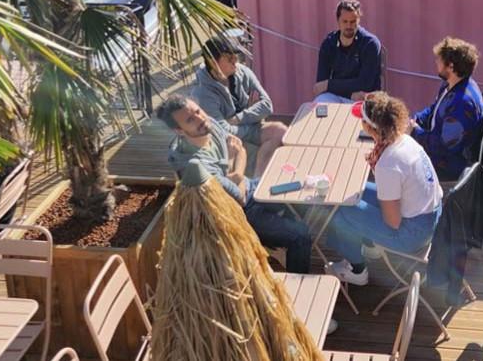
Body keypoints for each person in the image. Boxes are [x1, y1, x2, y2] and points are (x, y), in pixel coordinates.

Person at [158, 93, 314, 274]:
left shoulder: (209, 126)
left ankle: (273, 245)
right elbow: (238, 199)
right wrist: (235, 161)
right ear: (179, 130)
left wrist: (237, 172)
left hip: (250, 188)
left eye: (198, 111)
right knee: (301, 235)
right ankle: (296, 284)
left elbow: (240, 148)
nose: (200, 118)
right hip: (237, 215)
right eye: (190, 120)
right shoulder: (196, 165)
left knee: (303, 197)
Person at [324, 92, 442, 286]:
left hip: (412, 234)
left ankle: (357, 270)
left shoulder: (388, 163)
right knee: (354, 193)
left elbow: (393, 221)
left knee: (340, 210)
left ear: (369, 127)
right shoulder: (405, 141)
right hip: (431, 217)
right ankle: (370, 244)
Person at [192, 34, 286, 176]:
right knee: (243, 149)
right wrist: (250, 119)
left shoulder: (243, 72)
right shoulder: (203, 92)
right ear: (212, 62)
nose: (235, 61)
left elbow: (267, 105)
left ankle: (257, 181)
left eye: (236, 55)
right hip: (223, 142)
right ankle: (254, 184)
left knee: (280, 131)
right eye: (229, 58)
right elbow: (221, 131)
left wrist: (238, 119)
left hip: (243, 127)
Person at [411, 37, 483, 181]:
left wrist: (415, 132)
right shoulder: (449, 85)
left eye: (439, 60)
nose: (436, 63)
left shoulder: (462, 104)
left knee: (398, 161)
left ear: (450, 66)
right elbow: (433, 110)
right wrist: (415, 120)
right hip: (433, 144)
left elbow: (444, 147)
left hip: (447, 164)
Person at [313, 0, 383, 104]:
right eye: (345, 21)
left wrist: (329, 85)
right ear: (338, 21)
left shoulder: (370, 44)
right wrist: (349, 93)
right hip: (337, 96)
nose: (349, 26)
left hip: (364, 98)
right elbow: (320, 84)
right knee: (320, 104)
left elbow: (365, 83)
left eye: (353, 21)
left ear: (359, 20)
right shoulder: (329, 43)